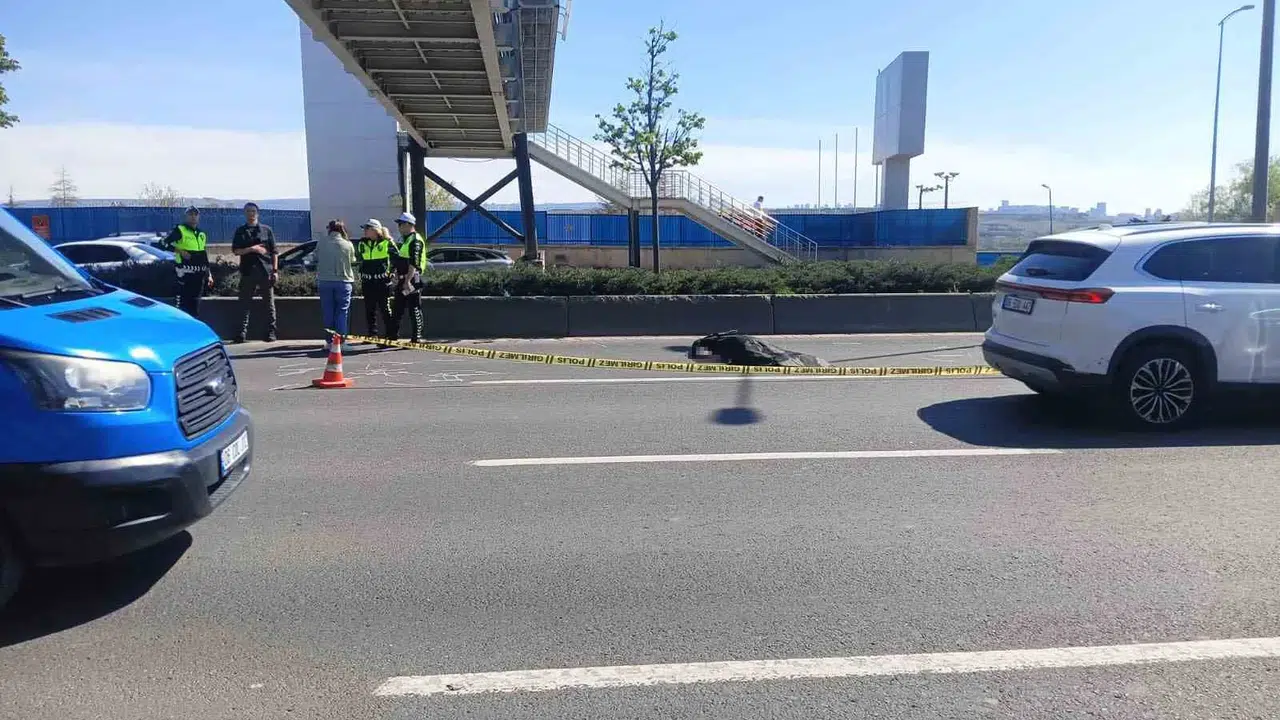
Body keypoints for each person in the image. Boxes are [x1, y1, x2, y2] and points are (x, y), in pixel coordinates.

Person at [230, 201, 278, 343]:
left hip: (265, 271)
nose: (251, 214)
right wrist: (252, 249)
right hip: (248, 272)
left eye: (253, 211)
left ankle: (271, 333)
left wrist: (275, 271)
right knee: (244, 304)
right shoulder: (240, 231)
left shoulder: (266, 230)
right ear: (245, 213)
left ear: (257, 213)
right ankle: (241, 334)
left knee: (269, 304)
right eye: (248, 211)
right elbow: (236, 251)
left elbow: (274, 252)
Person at [163, 206, 212, 317]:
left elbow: (203, 255)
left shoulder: (201, 234)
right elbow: (163, 243)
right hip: (184, 275)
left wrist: (209, 274)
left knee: (195, 306)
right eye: (190, 214)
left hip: (199, 276)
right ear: (186, 216)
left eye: (195, 214)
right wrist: (179, 250)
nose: (193, 217)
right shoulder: (180, 230)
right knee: (183, 307)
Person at [316, 220, 357, 352]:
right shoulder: (347, 244)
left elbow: (316, 256)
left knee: (328, 311)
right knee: (342, 312)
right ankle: (341, 342)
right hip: (343, 281)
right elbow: (352, 260)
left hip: (324, 281)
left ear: (330, 229)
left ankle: (329, 342)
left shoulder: (321, 243)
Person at [388, 211, 427, 342]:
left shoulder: (415, 240)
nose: (398, 227)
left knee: (414, 308)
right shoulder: (405, 240)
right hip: (403, 279)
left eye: (400, 224)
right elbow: (401, 260)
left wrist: (407, 281)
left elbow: (414, 263)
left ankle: (417, 337)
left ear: (408, 224)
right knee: (397, 309)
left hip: (411, 280)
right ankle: (392, 337)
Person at [355, 219, 394, 338]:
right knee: (369, 310)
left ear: (374, 230)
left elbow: (397, 258)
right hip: (368, 281)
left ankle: (390, 334)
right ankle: (372, 335)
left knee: (385, 309)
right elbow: (359, 259)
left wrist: (391, 272)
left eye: (367, 229)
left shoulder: (387, 242)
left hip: (382, 281)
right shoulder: (362, 243)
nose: (365, 231)